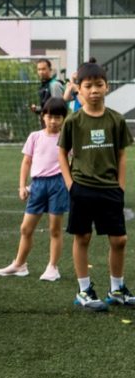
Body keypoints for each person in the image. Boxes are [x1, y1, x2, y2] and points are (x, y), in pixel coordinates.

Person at [58, 61, 134, 311]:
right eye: (88, 86)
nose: (94, 90)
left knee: (120, 239)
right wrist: (71, 185)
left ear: (107, 87)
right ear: (78, 89)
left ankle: (117, 288)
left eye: (98, 85)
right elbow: (62, 152)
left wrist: (120, 186)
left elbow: (122, 154)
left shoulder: (115, 119)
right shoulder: (73, 121)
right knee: (83, 237)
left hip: (110, 189)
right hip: (82, 188)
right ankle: (84, 290)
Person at [0, 97, 69, 281]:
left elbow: (74, 162)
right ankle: (20, 264)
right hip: (37, 186)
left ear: (63, 119)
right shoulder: (35, 137)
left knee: (55, 229)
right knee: (26, 228)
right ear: (43, 116)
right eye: (50, 116)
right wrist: (22, 186)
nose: (53, 121)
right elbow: (26, 162)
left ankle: (52, 267)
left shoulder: (66, 138)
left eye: (58, 117)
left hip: (58, 185)